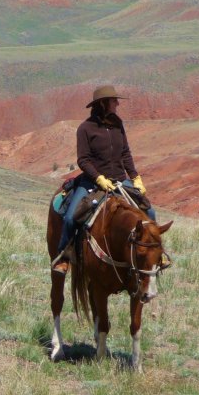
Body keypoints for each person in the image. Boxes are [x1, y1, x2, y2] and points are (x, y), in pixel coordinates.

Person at [52, 85, 157, 274]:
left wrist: (135, 177)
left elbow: (125, 153)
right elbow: (83, 160)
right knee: (69, 218)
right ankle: (64, 257)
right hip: (92, 182)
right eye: (113, 100)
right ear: (103, 103)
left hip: (119, 181)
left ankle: (154, 254)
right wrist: (99, 178)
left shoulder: (118, 124)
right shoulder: (85, 128)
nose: (117, 103)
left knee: (150, 213)